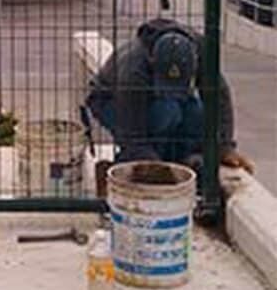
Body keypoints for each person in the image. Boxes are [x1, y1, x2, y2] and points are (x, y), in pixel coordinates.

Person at [85, 18, 254, 177]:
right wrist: (157, 169)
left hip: (150, 97)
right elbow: (133, 134)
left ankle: (187, 159)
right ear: (153, 62)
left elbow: (219, 97)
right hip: (109, 101)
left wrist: (224, 146)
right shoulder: (133, 70)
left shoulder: (200, 50)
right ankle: (124, 168)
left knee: (195, 113)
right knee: (167, 113)